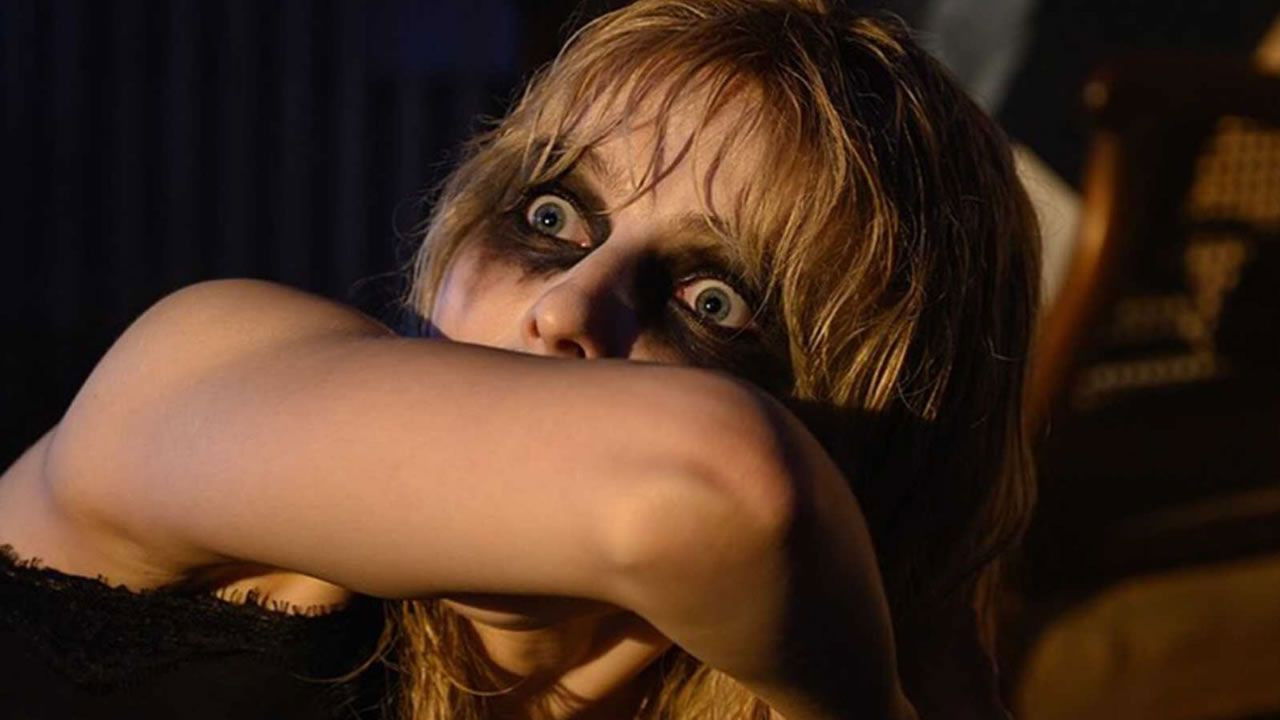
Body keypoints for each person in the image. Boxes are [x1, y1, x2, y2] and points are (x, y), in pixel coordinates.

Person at [0, 0, 1039, 718]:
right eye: (550, 218)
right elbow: (719, 491)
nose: (565, 308)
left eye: (713, 304)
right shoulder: (203, 372)